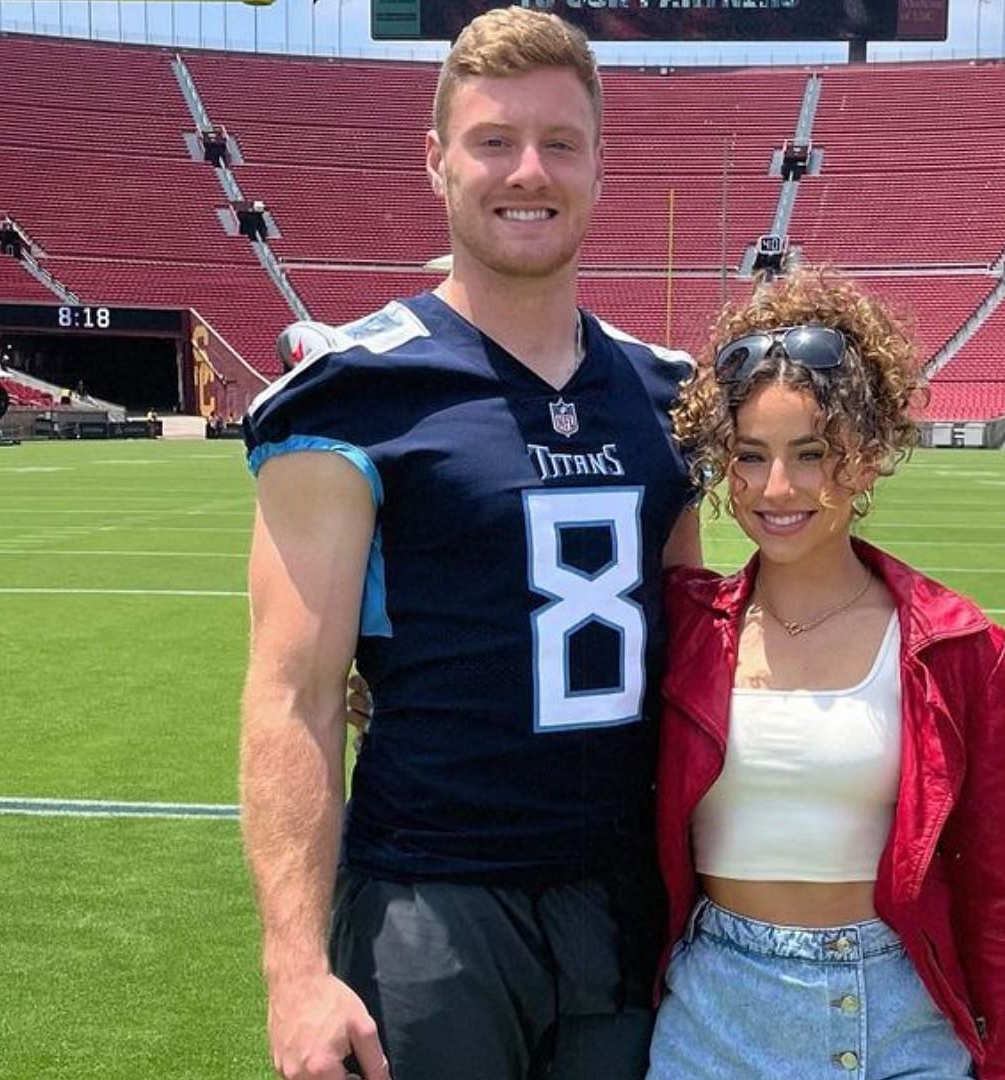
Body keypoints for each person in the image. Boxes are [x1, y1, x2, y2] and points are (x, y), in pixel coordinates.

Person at [237, 10, 702, 1080]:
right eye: (494, 140)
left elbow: (699, 670)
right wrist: (294, 970)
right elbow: (292, 695)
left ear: (598, 166)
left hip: (624, 909)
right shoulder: (357, 393)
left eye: (560, 143)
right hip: (431, 909)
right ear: (438, 161)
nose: (527, 171)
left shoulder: (667, 397)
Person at [649, 271, 1005, 1080]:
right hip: (710, 1009)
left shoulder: (962, 650)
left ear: (866, 459)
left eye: (811, 454)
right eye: (749, 456)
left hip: (897, 1014)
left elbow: (995, 894)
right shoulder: (680, 628)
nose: (776, 488)